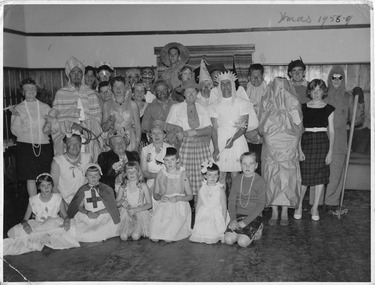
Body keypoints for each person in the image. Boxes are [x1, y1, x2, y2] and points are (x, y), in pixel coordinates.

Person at [316, 65, 365, 212]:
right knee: (317, 172)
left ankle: (331, 203)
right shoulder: (321, 95)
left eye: (340, 77)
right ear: (329, 78)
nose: (336, 80)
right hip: (320, 139)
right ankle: (315, 203)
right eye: (333, 77)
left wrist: (360, 102)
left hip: (339, 140)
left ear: (343, 79)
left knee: (335, 174)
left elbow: (356, 120)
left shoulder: (348, 97)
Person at [258, 77, 303, 226]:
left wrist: (295, 140)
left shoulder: (293, 102)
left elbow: (299, 125)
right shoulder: (267, 103)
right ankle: (274, 210)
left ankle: (284, 210)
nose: (280, 92)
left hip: (288, 143)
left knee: (287, 176)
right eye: (278, 88)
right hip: (273, 143)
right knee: (272, 176)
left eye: (283, 88)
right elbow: (262, 123)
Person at [3, 173, 80, 255]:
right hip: (38, 224)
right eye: (43, 185)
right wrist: (26, 225)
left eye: (49, 185)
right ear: (39, 187)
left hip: (54, 223)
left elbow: (65, 215)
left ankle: (45, 238)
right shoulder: (33, 200)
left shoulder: (58, 198)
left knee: (72, 227)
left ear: (52, 186)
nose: (46, 188)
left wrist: (67, 221)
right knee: (20, 234)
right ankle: (43, 238)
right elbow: (24, 219)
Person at [210, 71, 258, 194]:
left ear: (232, 85)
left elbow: (243, 126)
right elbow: (214, 128)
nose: (225, 86)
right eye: (222, 84)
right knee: (220, 174)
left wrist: (232, 139)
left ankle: (234, 205)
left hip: (237, 140)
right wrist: (216, 147)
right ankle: (221, 205)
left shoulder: (242, 102)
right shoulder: (214, 105)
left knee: (235, 175)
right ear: (219, 86)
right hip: (220, 140)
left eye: (228, 83)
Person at [166, 79, 212, 204]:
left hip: (201, 146)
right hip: (184, 147)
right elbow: (168, 126)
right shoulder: (176, 108)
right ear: (184, 94)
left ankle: (199, 211)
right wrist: (179, 131)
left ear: (197, 93)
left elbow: (209, 129)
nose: (191, 95)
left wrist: (195, 132)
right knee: (183, 178)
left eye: (193, 92)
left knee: (201, 179)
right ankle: (183, 210)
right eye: (188, 92)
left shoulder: (203, 108)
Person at [296, 79, 335, 221]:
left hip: (322, 143)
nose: (317, 93)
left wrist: (330, 151)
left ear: (324, 91)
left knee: (320, 177)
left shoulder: (329, 108)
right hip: (306, 141)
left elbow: (332, 132)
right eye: (314, 90)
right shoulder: (302, 107)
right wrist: (299, 149)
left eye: (319, 90)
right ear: (310, 92)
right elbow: (299, 130)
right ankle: (299, 205)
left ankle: (315, 207)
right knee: (304, 177)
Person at [52, 57, 103, 162]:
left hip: (88, 136)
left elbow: (97, 118)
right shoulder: (61, 93)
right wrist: (70, 126)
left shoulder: (90, 93)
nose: (76, 75)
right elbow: (55, 121)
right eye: (73, 72)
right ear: (68, 75)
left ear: (82, 74)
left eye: (79, 72)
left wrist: (83, 128)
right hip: (68, 136)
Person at [10, 78, 53, 197]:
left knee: (45, 177)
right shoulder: (18, 108)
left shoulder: (45, 107)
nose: (30, 91)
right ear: (22, 92)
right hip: (25, 146)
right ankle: (34, 209)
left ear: (36, 90)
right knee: (30, 178)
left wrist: (49, 126)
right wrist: (17, 117)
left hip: (44, 146)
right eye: (27, 89)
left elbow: (51, 128)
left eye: (33, 88)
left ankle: (47, 206)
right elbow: (15, 131)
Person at [67, 163, 120, 242]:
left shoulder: (106, 189)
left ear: (100, 176)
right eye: (90, 175)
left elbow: (111, 207)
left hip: (103, 215)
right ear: (86, 177)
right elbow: (79, 206)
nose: (93, 177)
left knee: (105, 228)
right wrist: (87, 212)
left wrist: (99, 212)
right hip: (88, 215)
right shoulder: (82, 189)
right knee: (78, 230)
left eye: (96, 175)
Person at [149, 147, 193, 242]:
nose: (169, 163)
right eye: (167, 160)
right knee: (154, 237)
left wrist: (178, 198)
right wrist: (160, 197)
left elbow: (190, 196)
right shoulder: (160, 174)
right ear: (163, 161)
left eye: (172, 159)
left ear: (177, 160)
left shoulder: (183, 174)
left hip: (178, 205)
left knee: (168, 238)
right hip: (164, 205)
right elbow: (155, 194)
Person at [224, 152, 266, 247]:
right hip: (238, 215)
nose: (247, 167)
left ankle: (258, 227)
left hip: (254, 216)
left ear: (256, 165)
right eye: (244, 164)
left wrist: (245, 222)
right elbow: (231, 202)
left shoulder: (260, 181)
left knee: (242, 242)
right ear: (241, 165)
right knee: (228, 240)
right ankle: (243, 234)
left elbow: (260, 205)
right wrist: (233, 219)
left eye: (251, 164)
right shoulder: (236, 180)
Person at [189, 160, 229, 244]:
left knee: (214, 230)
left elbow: (224, 206)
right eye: (210, 175)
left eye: (215, 175)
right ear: (205, 176)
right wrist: (196, 219)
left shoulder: (220, 189)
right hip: (204, 212)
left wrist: (223, 221)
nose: (213, 177)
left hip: (217, 213)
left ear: (218, 176)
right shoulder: (202, 188)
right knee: (202, 228)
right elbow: (199, 204)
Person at [51, 132, 92, 210]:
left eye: (77, 143)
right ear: (65, 145)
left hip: (84, 202)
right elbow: (54, 188)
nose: (75, 146)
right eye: (71, 143)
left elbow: (91, 181)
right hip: (64, 203)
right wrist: (65, 207)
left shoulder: (87, 158)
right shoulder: (57, 162)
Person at [102, 75, 141, 152]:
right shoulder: (106, 105)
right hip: (112, 140)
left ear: (125, 87)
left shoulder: (133, 104)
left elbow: (138, 127)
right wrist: (108, 123)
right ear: (112, 88)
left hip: (129, 139)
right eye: (115, 86)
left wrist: (136, 145)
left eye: (121, 86)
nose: (118, 88)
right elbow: (103, 128)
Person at [116, 161, 152, 241]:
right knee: (123, 237)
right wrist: (121, 201)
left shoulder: (143, 186)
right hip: (126, 214)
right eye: (129, 172)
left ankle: (138, 228)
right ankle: (130, 227)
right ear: (125, 174)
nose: (131, 174)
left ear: (138, 173)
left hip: (140, 213)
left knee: (135, 236)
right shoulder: (123, 187)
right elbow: (116, 203)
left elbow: (149, 204)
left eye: (134, 171)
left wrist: (136, 210)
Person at [245, 63, 268, 175]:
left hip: (264, 136)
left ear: (263, 77)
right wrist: (246, 132)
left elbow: (270, 115)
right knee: (248, 165)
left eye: (258, 76)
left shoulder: (269, 93)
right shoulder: (242, 93)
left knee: (261, 166)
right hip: (246, 136)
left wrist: (258, 131)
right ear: (249, 77)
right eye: (253, 76)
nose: (256, 78)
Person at [140, 123, 172, 201]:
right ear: (150, 135)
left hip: (169, 181)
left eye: (159, 133)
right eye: (154, 133)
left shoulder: (170, 148)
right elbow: (144, 172)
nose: (156, 136)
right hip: (152, 181)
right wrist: (158, 176)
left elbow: (176, 169)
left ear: (164, 135)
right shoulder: (145, 150)